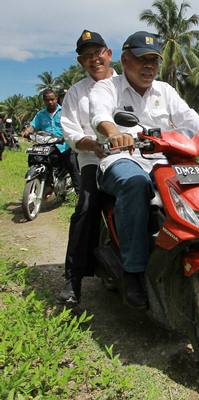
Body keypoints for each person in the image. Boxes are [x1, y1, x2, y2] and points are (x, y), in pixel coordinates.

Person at [89, 31, 199, 309]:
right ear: (125, 59)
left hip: (163, 162)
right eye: (142, 59)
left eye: (154, 61)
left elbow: (188, 116)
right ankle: (133, 271)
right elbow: (101, 115)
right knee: (136, 184)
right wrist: (113, 133)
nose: (149, 67)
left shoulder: (165, 90)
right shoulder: (108, 87)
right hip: (122, 160)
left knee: (197, 187)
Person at [58, 30, 116, 305]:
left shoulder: (127, 84)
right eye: (87, 56)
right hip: (92, 157)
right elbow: (69, 129)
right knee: (87, 205)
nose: (94, 60)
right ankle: (73, 278)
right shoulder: (75, 93)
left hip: (132, 156)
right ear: (81, 62)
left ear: (109, 54)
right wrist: (90, 144)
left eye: (98, 53)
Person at [23, 88, 81, 194]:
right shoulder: (40, 114)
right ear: (44, 101)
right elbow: (33, 126)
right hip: (46, 145)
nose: (50, 102)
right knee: (34, 158)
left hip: (64, 146)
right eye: (47, 100)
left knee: (72, 166)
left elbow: (73, 126)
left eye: (52, 99)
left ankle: (79, 195)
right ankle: (44, 182)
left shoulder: (65, 112)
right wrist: (27, 131)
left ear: (56, 99)